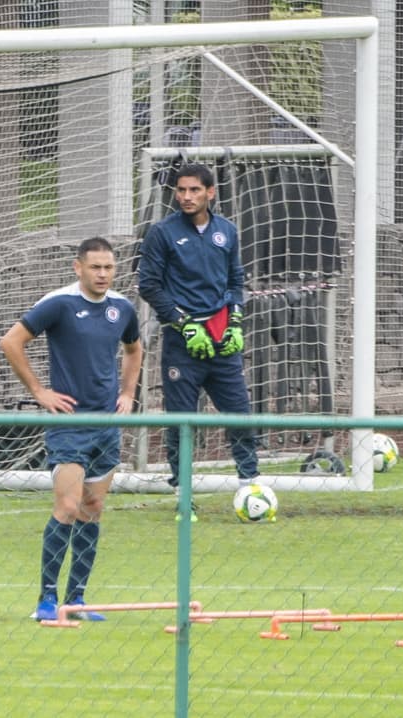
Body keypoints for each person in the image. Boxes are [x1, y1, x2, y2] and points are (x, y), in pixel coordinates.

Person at [0, 237, 142, 622]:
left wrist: (128, 393)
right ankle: (46, 599)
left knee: (92, 508)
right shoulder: (60, 303)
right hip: (68, 426)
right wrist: (39, 391)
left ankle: (76, 600)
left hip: (106, 426)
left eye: (109, 268)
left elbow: (134, 348)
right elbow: (12, 341)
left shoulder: (122, 309)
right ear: (78, 268)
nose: (102, 274)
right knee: (66, 506)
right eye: (95, 267)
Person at [137, 162, 258, 513]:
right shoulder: (161, 233)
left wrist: (235, 320)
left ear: (210, 192)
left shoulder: (227, 231)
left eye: (193, 190)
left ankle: (250, 487)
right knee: (182, 420)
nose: (186, 196)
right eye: (181, 190)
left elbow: (236, 283)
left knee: (239, 414)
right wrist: (182, 323)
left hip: (221, 340)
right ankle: (182, 494)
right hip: (182, 343)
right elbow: (148, 285)